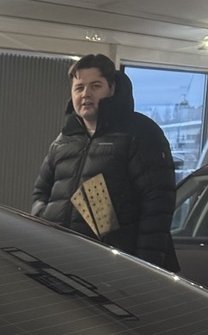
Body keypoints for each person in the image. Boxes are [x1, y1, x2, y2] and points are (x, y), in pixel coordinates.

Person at [30, 54, 178, 270]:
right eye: (79, 88)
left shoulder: (140, 133)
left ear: (112, 88)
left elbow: (157, 205)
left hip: (113, 264)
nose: (85, 94)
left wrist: (145, 266)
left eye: (95, 86)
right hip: (60, 258)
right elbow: (40, 192)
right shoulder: (64, 139)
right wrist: (42, 219)